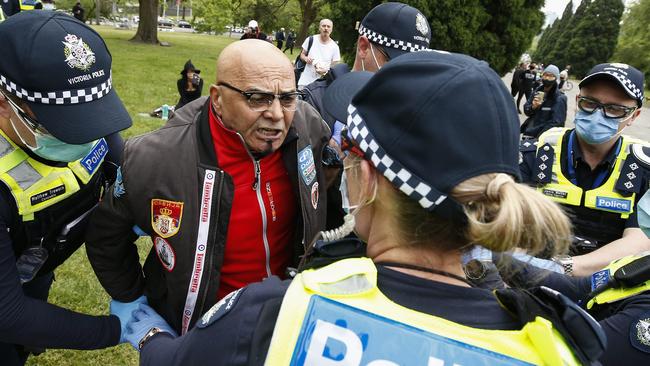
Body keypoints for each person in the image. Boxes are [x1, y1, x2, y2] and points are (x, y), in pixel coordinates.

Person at [121, 50, 610, 366]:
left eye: (349, 155)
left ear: (368, 179)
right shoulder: (558, 346)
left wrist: (145, 334)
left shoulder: (279, 310)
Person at [85, 39, 334, 336]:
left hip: (288, 318)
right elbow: (106, 237)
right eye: (258, 98)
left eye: (288, 98)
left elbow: (325, 198)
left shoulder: (308, 126)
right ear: (217, 98)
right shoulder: (155, 158)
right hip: (203, 331)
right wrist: (133, 297)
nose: (278, 114)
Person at [0, 11, 133, 365]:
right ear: (3, 104)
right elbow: (8, 314)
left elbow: (127, 172)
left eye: (91, 114)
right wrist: (120, 329)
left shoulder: (73, 103)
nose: (87, 134)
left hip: (33, 261)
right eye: (66, 125)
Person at [520, 62, 650, 276]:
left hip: (604, 289)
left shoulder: (644, 168)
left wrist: (560, 269)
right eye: (590, 103)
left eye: (615, 109)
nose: (598, 115)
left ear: (634, 116)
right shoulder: (534, 155)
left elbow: (639, 241)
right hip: (527, 276)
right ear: (577, 102)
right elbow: (505, 223)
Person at [304, 2, 431, 131]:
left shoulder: (410, 107)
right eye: (397, 63)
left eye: (413, 65)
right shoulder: (315, 102)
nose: (406, 75)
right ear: (364, 48)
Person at [521, 64, 567, 138]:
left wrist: (539, 138)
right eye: (545, 75)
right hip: (528, 133)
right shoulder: (537, 91)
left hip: (542, 139)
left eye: (550, 76)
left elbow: (557, 123)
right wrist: (533, 107)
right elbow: (526, 111)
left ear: (556, 78)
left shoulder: (560, 98)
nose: (546, 78)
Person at [297, 19, 340, 89]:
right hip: (305, 81)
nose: (326, 28)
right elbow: (302, 54)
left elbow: (335, 66)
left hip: (322, 84)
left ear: (331, 29)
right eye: (323, 26)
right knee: (301, 99)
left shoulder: (335, 47)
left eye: (328, 26)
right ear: (319, 28)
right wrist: (306, 58)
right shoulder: (310, 39)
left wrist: (325, 71)